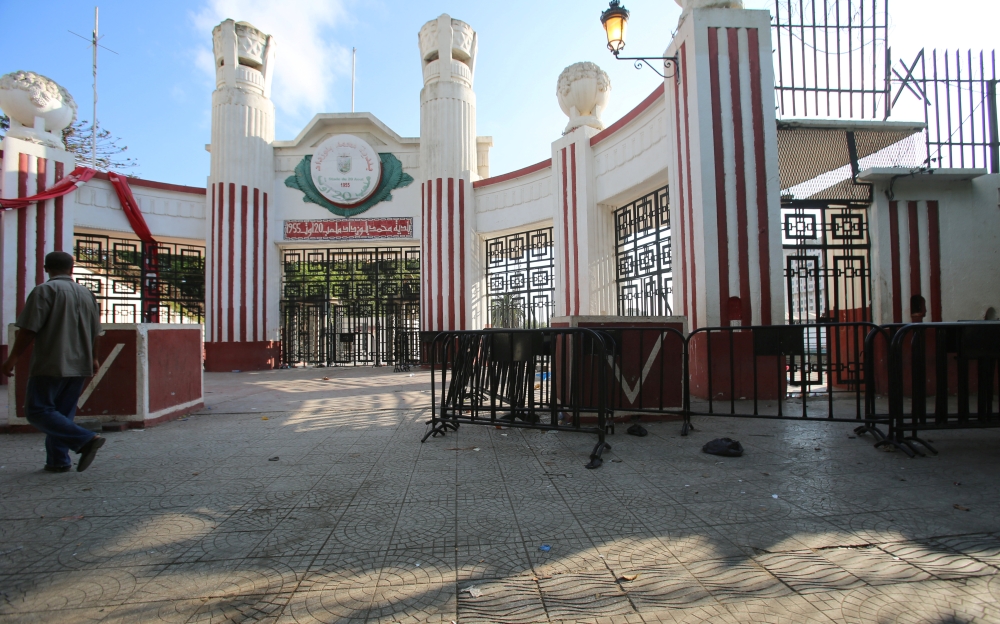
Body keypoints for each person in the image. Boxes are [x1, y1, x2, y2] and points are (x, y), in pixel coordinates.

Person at [1, 251, 104, 472]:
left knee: (38, 410)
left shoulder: (45, 290)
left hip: (52, 361)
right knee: (62, 412)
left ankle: (85, 439)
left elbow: (28, 328)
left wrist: (13, 358)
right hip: (81, 361)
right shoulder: (87, 294)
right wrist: (94, 358)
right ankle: (58, 460)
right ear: (72, 268)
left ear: (46, 268)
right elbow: (96, 331)